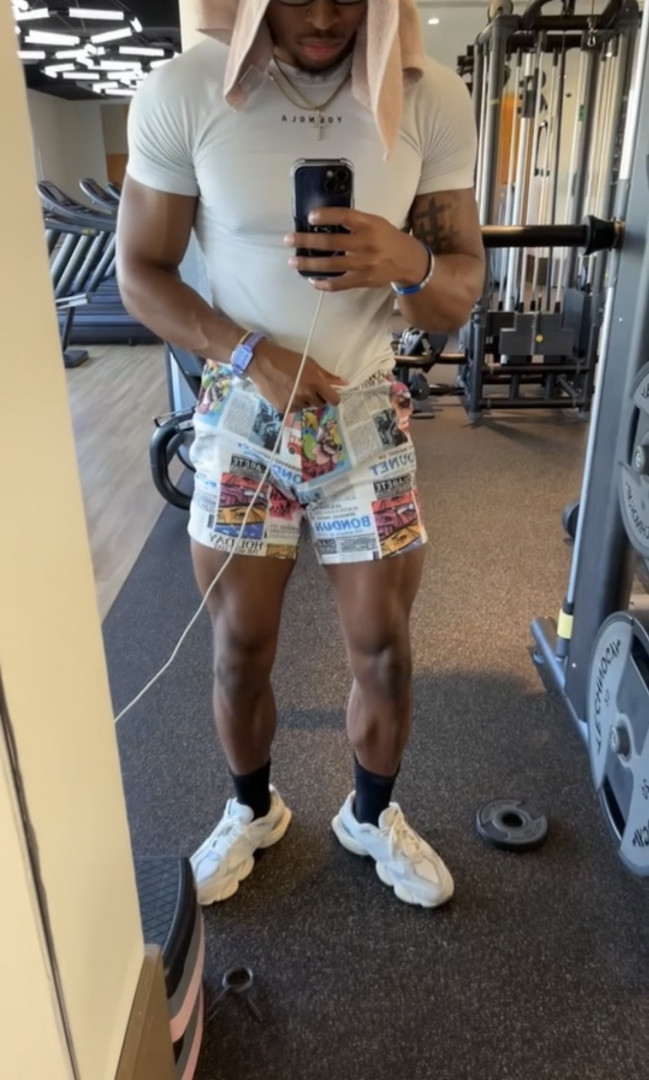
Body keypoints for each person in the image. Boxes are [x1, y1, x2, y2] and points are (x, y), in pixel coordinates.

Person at [117, 0, 485, 910]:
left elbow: (457, 291)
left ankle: (369, 815)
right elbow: (140, 273)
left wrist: (406, 259)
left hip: (364, 412)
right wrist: (250, 354)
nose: (322, 14)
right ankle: (252, 810)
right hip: (243, 410)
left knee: (384, 649)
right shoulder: (183, 90)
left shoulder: (430, 96)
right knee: (239, 647)